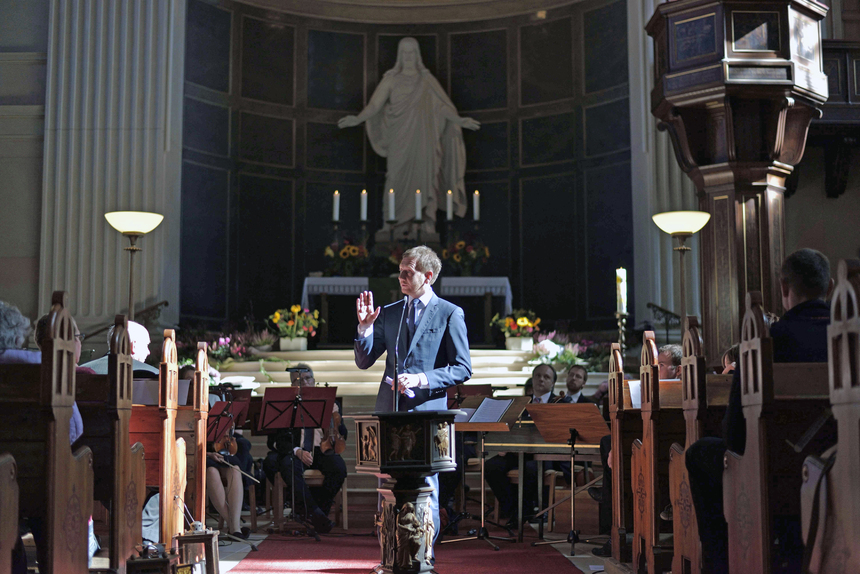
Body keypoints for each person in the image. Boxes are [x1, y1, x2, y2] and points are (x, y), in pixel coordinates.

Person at [686, 248, 833, 572]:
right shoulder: (850, 336)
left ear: (783, 288)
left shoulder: (767, 341)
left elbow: (735, 433)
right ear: (830, 286)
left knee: (699, 454)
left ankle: (721, 565)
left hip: (774, 472)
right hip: (843, 465)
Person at [354, 245, 472, 548]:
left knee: (425, 488)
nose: (401, 278)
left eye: (408, 272)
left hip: (426, 414)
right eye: (400, 272)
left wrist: (422, 379)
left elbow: (462, 368)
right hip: (389, 412)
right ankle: (389, 554)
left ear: (428, 276)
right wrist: (365, 330)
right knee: (386, 488)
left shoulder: (449, 313)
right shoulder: (390, 313)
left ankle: (423, 556)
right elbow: (365, 361)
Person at [337, 38, 480, 236]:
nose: (408, 57)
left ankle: (425, 224)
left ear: (418, 55)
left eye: (412, 52)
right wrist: (358, 118)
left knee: (426, 179)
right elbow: (375, 106)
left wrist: (459, 120)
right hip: (399, 140)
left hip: (424, 140)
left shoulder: (426, 80)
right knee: (394, 178)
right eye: (404, 53)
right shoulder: (391, 79)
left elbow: (441, 107)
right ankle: (391, 223)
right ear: (400, 56)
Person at [590, 343, 683, 555]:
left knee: (611, 449)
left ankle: (611, 512)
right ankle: (610, 502)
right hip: (653, 451)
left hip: (664, 455)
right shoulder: (648, 389)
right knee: (608, 442)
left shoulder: (683, 391)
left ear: (677, 369)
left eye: (660, 365)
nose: (654, 370)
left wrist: (618, 445)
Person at [262, 364, 348, 534]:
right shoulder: (285, 405)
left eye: (308, 379)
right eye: (297, 381)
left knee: (339, 468)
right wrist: (297, 451)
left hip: (321, 449)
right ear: (292, 386)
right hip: (297, 451)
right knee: (288, 466)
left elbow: (343, 433)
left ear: (314, 381)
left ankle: (316, 512)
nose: (304, 383)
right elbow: (276, 440)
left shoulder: (330, 403)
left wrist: (335, 419)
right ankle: (316, 515)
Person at [485, 364, 558, 528]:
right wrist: (506, 444)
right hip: (519, 450)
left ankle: (522, 513)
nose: (541, 379)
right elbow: (511, 427)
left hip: (545, 453)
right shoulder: (521, 403)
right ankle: (513, 510)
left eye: (546, 377)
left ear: (553, 383)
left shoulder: (559, 402)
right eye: (538, 375)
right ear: (532, 379)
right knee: (491, 466)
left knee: (531, 468)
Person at [80, 320, 159, 378]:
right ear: (134, 346)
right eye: (146, 345)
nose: (148, 352)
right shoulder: (152, 375)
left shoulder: (81, 371)